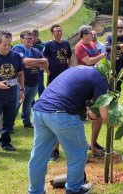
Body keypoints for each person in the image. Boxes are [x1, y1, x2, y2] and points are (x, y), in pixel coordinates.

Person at [28, 66, 109, 194]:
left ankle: (35, 191)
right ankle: (74, 189)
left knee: (38, 156)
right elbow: (105, 116)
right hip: (62, 114)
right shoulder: (100, 79)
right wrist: (110, 119)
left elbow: (73, 94)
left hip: (40, 110)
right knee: (78, 153)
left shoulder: (76, 70)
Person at [0, 30, 25, 157]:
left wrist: (21, 90)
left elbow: (20, 73)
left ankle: (5, 142)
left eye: (9, 44)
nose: (8, 47)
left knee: (9, 122)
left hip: (11, 95)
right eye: (5, 44)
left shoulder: (15, 56)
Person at [43, 24, 73, 161]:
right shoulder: (49, 45)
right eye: (56, 31)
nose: (59, 33)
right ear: (52, 33)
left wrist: (70, 70)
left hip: (65, 78)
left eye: (60, 30)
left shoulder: (66, 43)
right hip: (53, 79)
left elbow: (69, 58)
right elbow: (45, 61)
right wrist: (48, 73)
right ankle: (53, 149)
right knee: (54, 109)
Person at [74, 25, 106, 156]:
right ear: (83, 35)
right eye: (89, 33)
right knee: (79, 116)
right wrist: (104, 55)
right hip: (84, 83)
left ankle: (93, 144)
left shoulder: (92, 44)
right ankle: (82, 145)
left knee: (96, 114)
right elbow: (88, 61)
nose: (92, 34)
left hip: (94, 82)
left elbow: (97, 58)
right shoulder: (79, 47)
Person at [13, 30, 49, 128]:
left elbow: (46, 63)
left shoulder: (36, 51)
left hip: (34, 82)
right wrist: (40, 61)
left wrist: (32, 63)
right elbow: (25, 61)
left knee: (28, 104)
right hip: (21, 83)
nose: (30, 40)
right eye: (28, 38)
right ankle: (9, 124)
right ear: (21, 39)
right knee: (16, 104)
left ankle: (27, 122)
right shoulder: (18, 49)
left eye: (31, 38)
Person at [105, 19, 123, 91]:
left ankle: (116, 101)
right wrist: (120, 46)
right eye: (118, 27)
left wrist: (118, 58)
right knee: (108, 86)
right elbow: (107, 49)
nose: (119, 29)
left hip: (121, 67)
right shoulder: (110, 37)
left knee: (118, 88)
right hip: (110, 66)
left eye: (121, 27)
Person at [32, 29, 46, 96]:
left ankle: (43, 102)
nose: (31, 38)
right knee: (30, 88)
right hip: (29, 70)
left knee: (40, 86)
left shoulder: (43, 46)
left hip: (39, 70)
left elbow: (44, 58)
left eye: (32, 35)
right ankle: (32, 105)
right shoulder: (28, 45)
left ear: (37, 36)